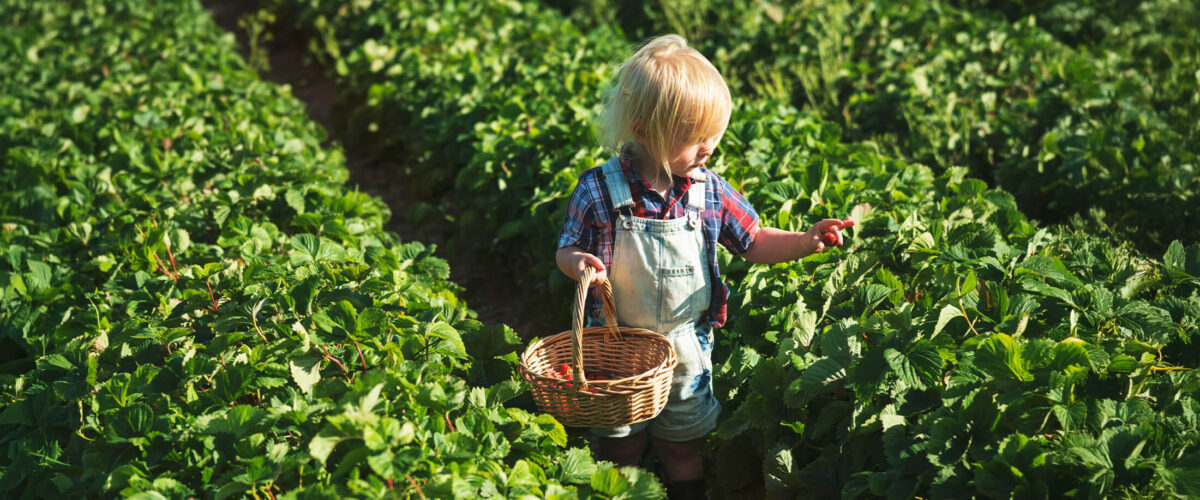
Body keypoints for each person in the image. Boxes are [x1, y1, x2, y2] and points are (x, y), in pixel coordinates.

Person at [555, 34, 851, 499]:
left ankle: (685, 487)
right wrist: (580, 263)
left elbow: (753, 241)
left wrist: (805, 240)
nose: (708, 147)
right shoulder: (599, 190)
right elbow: (566, 247)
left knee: (683, 445)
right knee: (621, 446)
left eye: (712, 135)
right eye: (694, 137)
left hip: (684, 344)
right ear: (645, 129)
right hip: (616, 345)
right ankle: (620, 486)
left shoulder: (708, 190)